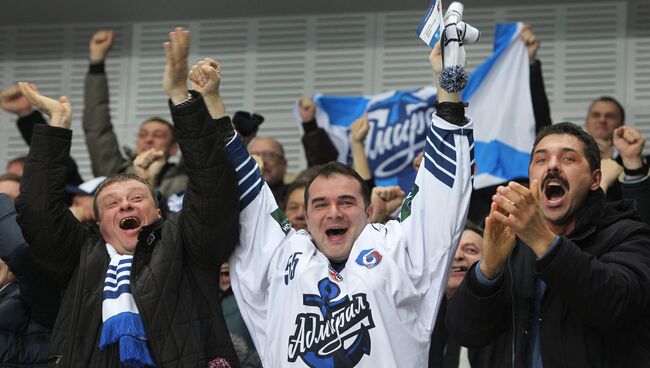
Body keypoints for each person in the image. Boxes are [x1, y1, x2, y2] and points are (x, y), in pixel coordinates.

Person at [205, 12, 476, 363]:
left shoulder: (395, 248)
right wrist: (214, 106)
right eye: (320, 204)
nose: (333, 211)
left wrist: (448, 88)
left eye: (346, 202)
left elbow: (441, 200)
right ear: (305, 213)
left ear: (368, 212)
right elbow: (248, 198)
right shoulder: (284, 257)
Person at [15, 27, 240, 367]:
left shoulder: (186, 241)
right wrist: (56, 127)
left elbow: (212, 183)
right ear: (100, 223)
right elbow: (37, 211)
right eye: (111, 203)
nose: (124, 205)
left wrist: (181, 95)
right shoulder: (79, 255)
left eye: (137, 197)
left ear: (160, 211)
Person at [446, 122, 650, 367]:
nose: (552, 165)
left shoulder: (628, 234)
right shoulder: (510, 241)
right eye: (541, 160)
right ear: (531, 175)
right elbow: (466, 333)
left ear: (595, 179)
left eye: (568, 159)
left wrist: (542, 240)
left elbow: (613, 305)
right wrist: (488, 269)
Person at [82, 29, 187, 199]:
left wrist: (180, 90)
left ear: (174, 148)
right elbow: (97, 129)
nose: (148, 139)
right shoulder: (115, 172)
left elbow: (200, 142)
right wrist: (96, 60)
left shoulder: (186, 178)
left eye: (158, 135)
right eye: (143, 134)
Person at [1, 84, 84, 187]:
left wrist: (26, 114)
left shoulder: (62, 196)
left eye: (20, 176)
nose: (16, 181)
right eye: (11, 177)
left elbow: (52, 158)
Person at [429, 222, 484, 368]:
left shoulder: (497, 324)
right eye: (450, 250)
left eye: (470, 250)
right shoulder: (424, 321)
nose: (458, 256)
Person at [247, 136, 288, 204]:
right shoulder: (237, 196)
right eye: (254, 156)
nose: (262, 161)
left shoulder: (293, 196)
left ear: (283, 164)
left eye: (269, 155)